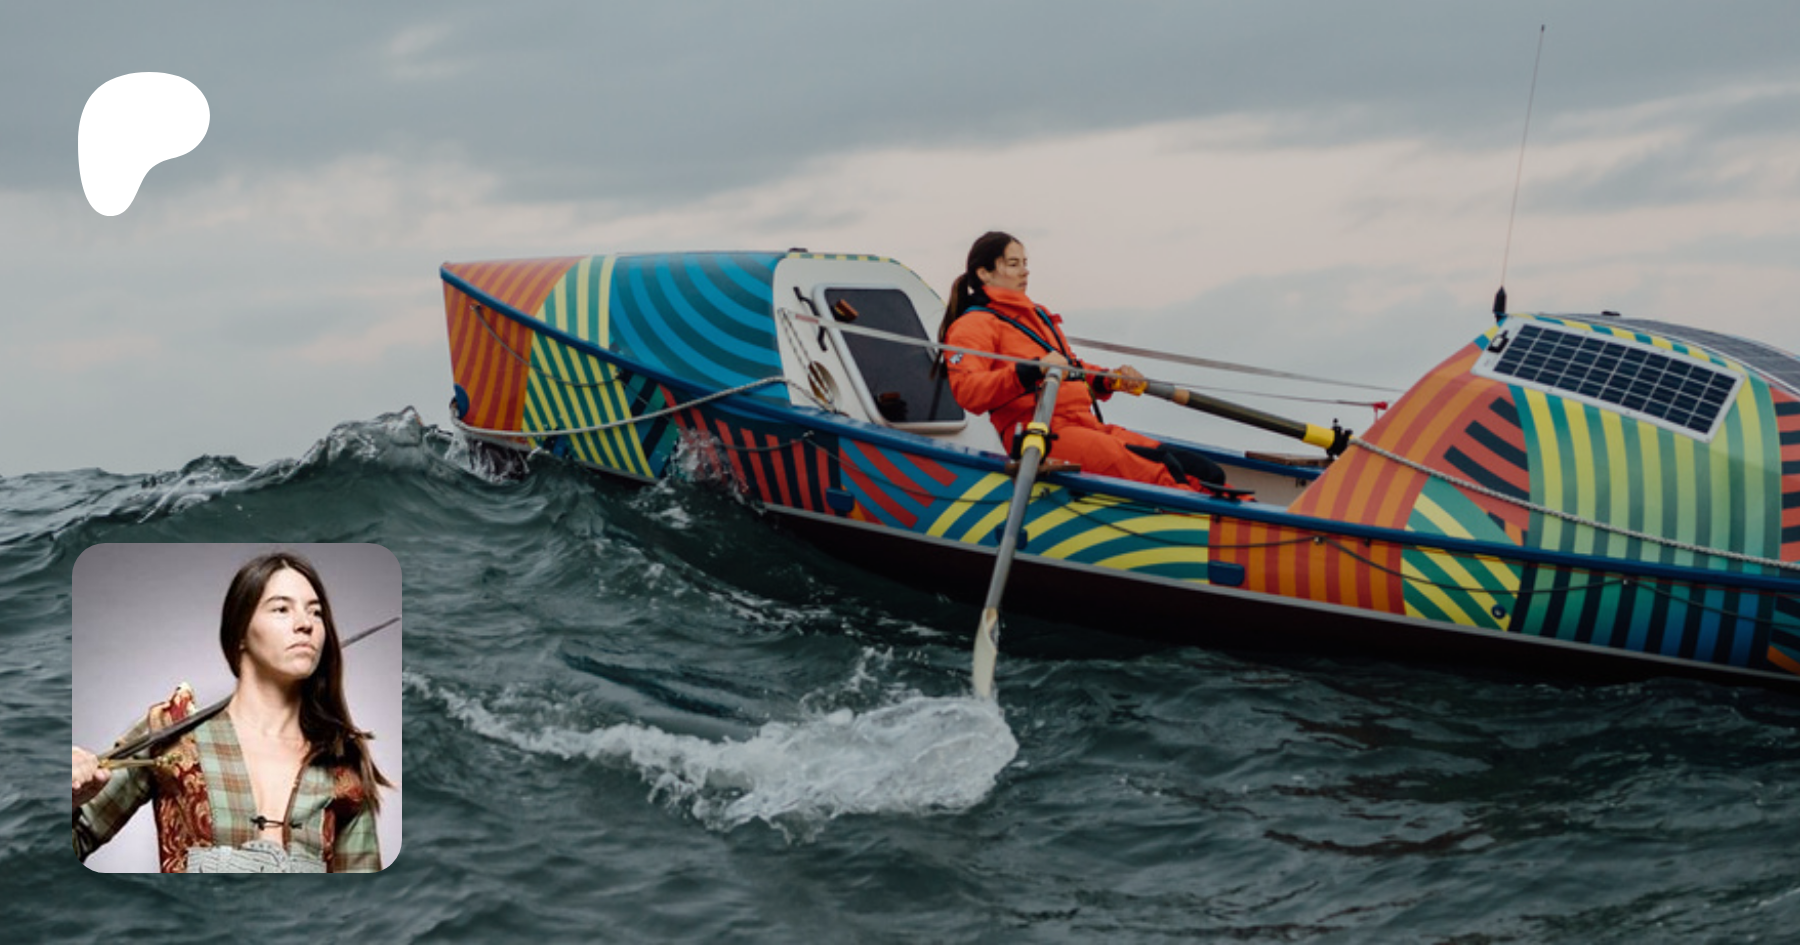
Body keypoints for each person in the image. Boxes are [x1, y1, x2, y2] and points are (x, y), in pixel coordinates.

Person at [72, 552, 388, 872]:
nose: (306, 624)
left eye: (316, 612)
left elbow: (362, 895)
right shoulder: (171, 733)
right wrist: (66, 798)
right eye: (281, 609)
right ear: (240, 633)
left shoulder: (341, 762)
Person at [939, 231, 1227, 491]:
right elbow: (968, 391)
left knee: (1202, 470)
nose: (1025, 271)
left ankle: (1233, 515)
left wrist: (1110, 379)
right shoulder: (973, 326)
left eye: (1025, 263)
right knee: (1161, 475)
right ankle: (1202, 527)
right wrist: (1032, 370)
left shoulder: (1036, 315)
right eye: (1014, 264)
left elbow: (1072, 367)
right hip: (1043, 434)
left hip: (1084, 424)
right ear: (984, 273)